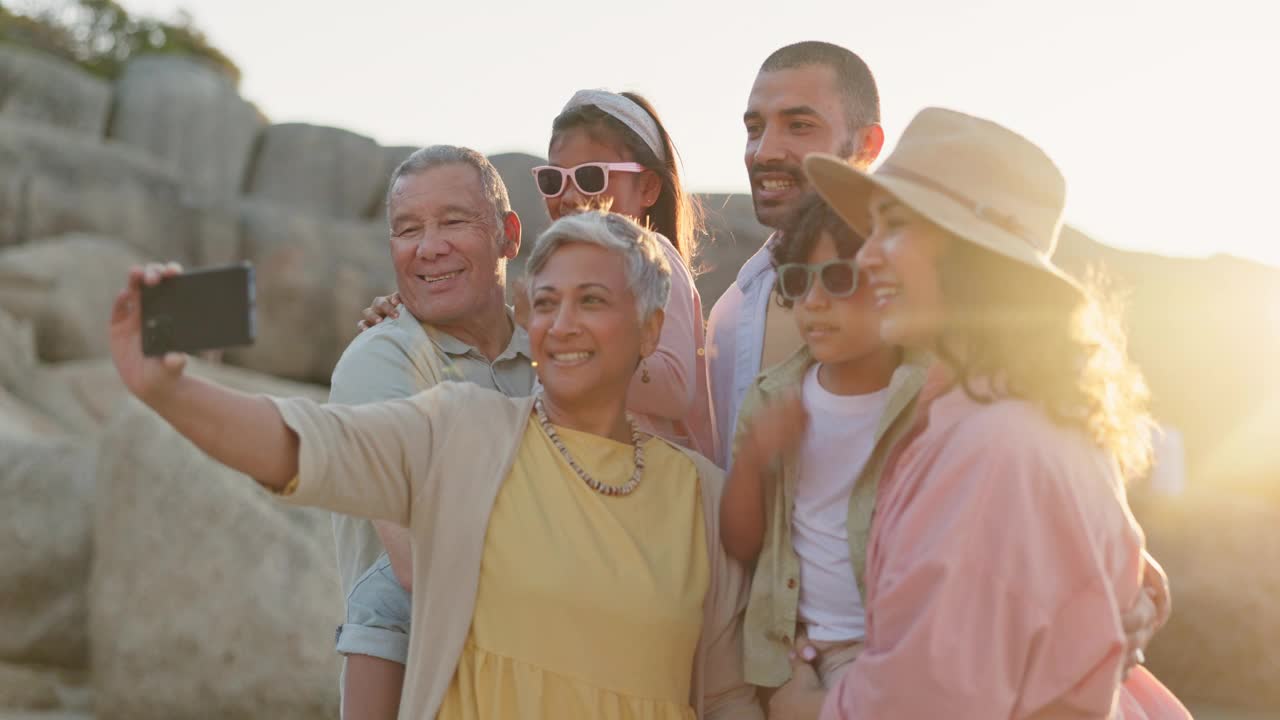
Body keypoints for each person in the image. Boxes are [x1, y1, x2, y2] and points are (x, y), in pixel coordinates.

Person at [107, 210, 762, 720]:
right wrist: (169, 391)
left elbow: (729, 696)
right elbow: (300, 444)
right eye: (546, 302)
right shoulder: (457, 430)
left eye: (592, 301)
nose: (561, 324)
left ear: (650, 330)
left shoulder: (704, 498)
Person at [798, 107, 1190, 718]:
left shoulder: (990, 449)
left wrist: (798, 698)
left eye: (893, 226)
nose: (867, 256)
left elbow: (921, 704)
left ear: (976, 256)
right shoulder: (1033, 417)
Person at [360, 90, 715, 459]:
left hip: (662, 494)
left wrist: (550, 344)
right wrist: (405, 320)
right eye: (553, 180)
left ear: (648, 187)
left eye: (591, 177)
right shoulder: (558, 278)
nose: (570, 194)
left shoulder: (654, 257)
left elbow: (674, 388)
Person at [330, 146, 535, 719]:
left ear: (508, 234)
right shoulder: (379, 363)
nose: (428, 247)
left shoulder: (550, 360)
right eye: (408, 229)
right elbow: (420, 562)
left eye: (453, 221)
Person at [717, 196, 925, 719]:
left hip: (899, 650)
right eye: (796, 280)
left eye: (837, 279)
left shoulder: (927, 400)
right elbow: (741, 544)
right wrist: (753, 459)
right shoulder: (773, 398)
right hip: (797, 651)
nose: (811, 302)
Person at [706, 41, 886, 469]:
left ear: (866, 144)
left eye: (799, 125)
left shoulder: (921, 297)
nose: (765, 151)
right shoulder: (731, 313)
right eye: (754, 128)